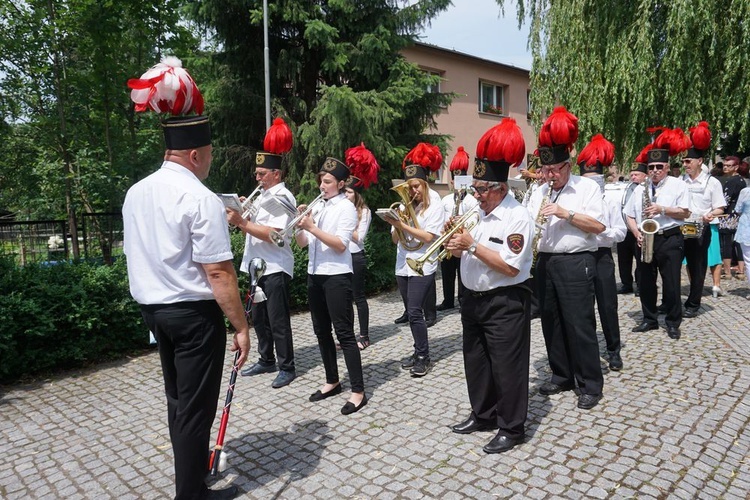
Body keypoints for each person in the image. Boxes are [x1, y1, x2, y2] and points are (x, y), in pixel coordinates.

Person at [123, 58, 248, 500]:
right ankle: (191, 494)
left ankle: (192, 476)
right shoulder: (200, 197)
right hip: (194, 317)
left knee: (179, 401)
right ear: (195, 154)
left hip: (154, 312)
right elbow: (217, 272)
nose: (210, 162)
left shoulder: (135, 192)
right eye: (209, 156)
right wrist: (241, 326)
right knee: (196, 410)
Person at [445, 118, 533, 454]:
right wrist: (455, 244)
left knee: (508, 367)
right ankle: (483, 414)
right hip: (473, 299)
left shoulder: (517, 217)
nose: (476, 195)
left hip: (505, 300)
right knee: (476, 361)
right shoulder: (477, 213)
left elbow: (510, 267)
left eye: (481, 189)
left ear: (500, 188)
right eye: (474, 188)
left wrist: (470, 246)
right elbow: (468, 252)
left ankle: (512, 427)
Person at [526, 106, 606, 410]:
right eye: (546, 170)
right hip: (545, 262)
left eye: (556, 169)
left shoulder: (586, 187)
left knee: (579, 323)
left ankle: (589, 383)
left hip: (576, 262)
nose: (550, 175)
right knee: (552, 322)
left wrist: (565, 213)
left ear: (568, 164)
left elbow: (598, 226)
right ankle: (561, 375)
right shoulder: (539, 190)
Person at [229, 118, 297, 388]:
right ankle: (266, 358)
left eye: (261, 174)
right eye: (257, 174)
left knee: (278, 319)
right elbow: (254, 228)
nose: (256, 178)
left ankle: (287, 366)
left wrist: (243, 222)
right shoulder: (262, 196)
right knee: (259, 317)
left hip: (274, 266)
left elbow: (274, 234)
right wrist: (244, 211)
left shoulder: (283, 198)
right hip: (256, 265)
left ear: (276, 175)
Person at [295, 156, 367, 415]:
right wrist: (300, 223)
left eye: (327, 182)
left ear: (340, 183)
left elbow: (340, 244)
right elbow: (303, 244)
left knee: (344, 333)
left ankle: (358, 390)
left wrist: (312, 227)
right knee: (321, 331)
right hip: (315, 274)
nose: (322, 186)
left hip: (337, 276)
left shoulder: (345, 208)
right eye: (321, 182)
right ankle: (332, 380)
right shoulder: (319, 206)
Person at [382, 143, 445, 377]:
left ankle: (424, 356)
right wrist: (396, 223)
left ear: (425, 184)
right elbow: (395, 241)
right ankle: (417, 350)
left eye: (416, 185)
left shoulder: (434, 204)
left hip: (422, 262)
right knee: (410, 311)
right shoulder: (404, 205)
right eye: (409, 186)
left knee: (416, 310)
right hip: (403, 261)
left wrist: (402, 224)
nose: (412, 190)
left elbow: (429, 237)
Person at [625, 130, 691, 340]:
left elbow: (685, 212)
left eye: (659, 167)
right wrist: (636, 232)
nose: (654, 171)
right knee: (645, 281)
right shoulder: (639, 188)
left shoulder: (679, 185)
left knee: (671, 282)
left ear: (667, 167)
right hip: (644, 238)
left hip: (669, 237)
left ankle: (673, 322)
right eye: (651, 167)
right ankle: (649, 319)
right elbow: (628, 214)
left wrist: (661, 209)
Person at [577, 134, 626, 371]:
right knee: (582, 308)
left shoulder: (612, 201)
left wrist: (602, 233)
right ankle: (586, 353)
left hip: (602, 256)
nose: (594, 184)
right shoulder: (577, 202)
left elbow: (621, 232)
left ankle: (613, 350)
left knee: (608, 306)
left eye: (597, 179)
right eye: (589, 180)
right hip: (580, 258)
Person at [680, 122, 725, 316]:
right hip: (680, 227)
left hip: (700, 228)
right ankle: (670, 301)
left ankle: (693, 303)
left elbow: (720, 207)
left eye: (688, 161)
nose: (685, 165)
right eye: (683, 161)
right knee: (673, 265)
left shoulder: (712, 182)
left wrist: (710, 215)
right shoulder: (680, 181)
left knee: (697, 265)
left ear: (700, 161)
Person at [342, 143, 380, 350]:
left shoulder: (364, 212)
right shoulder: (341, 208)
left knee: (358, 297)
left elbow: (359, 237)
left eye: (348, 192)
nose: (345, 195)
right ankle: (347, 335)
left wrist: (346, 225)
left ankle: (364, 335)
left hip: (356, 257)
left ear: (356, 194)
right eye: (344, 192)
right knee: (345, 299)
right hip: (342, 257)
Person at [438, 146, 478, 311]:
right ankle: (448, 300)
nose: (457, 185)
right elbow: (440, 218)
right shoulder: (446, 199)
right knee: (447, 273)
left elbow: (476, 217)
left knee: (462, 272)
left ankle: (463, 300)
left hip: (462, 238)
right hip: (448, 239)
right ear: (452, 182)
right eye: (455, 182)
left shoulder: (470, 200)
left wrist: (463, 221)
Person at [617, 158, 648, 296]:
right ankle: (626, 284)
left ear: (644, 176)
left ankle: (641, 285)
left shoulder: (647, 189)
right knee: (624, 259)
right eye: (632, 174)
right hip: (625, 229)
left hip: (639, 229)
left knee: (640, 260)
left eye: (637, 174)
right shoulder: (626, 187)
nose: (633, 177)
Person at [719, 156, 746, 279]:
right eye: (724, 165)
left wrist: (718, 210)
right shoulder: (741, 181)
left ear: (736, 167)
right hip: (739, 214)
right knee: (738, 242)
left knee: (726, 242)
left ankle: (727, 271)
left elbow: (725, 200)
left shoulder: (731, 181)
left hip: (728, 214)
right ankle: (741, 270)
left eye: (728, 165)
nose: (725, 167)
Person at [733, 185, 750, 297]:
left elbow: (738, 209)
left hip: (747, 229)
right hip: (746, 229)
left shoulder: (745, 192)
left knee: (748, 261)